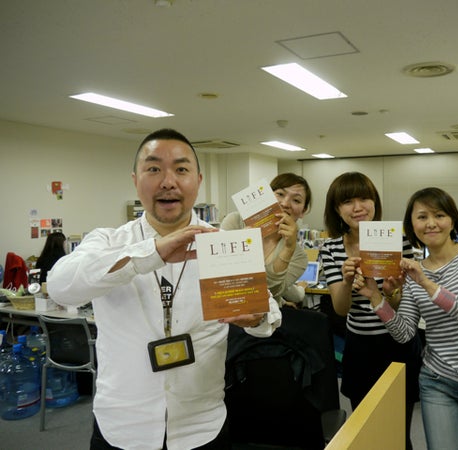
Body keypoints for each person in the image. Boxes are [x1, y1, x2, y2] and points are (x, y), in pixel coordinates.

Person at [47, 128, 282, 450]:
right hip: (122, 426)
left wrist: (256, 318)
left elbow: (269, 316)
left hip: (202, 426)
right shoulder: (108, 242)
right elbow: (60, 287)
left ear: (198, 181)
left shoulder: (223, 245)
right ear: (135, 180)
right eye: (154, 168)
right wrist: (151, 253)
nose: (168, 181)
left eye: (181, 169)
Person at [361, 187, 458, 450]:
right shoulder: (412, 271)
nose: (431, 223)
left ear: (452, 221)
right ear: (412, 226)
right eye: (422, 217)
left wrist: (425, 283)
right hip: (438, 381)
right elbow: (404, 333)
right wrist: (377, 298)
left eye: (439, 215)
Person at [319, 172, 422, 450]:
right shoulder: (331, 248)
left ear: (375, 201)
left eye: (364, 198)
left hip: (397, 344)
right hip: (359, 347)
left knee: (398, 434)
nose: (358, 207)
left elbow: (403, 307)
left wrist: (389, 292)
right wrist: (345, 280)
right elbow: (341, 309)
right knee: (365, 431)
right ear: (337, 209)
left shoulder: (398, 243)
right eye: (347, 201)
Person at [220, 173, 312, 308]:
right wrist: (242, 243)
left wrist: (288, 249)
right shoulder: (235, 222)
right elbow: (219, 272)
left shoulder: (298, 256)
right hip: (225, 307)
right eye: (280, 194)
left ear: (303, 211)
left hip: (263, 316)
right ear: (267, 196)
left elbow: (272, 292)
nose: (285, 203)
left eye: (296, 200)